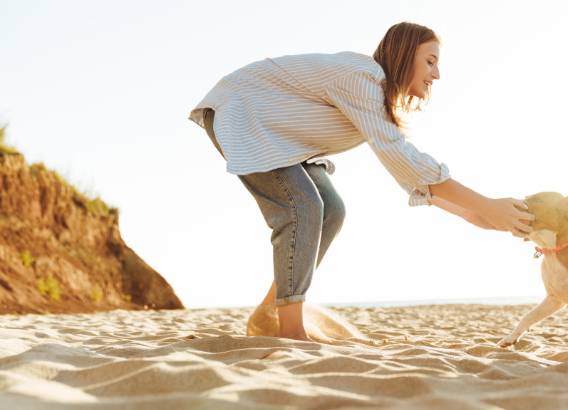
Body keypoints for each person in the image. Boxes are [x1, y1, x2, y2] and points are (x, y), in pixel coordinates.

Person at [189, 21, 533, 341]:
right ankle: (290, 331)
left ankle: (268, 313)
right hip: (242, 112)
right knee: (304, 206)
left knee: (331, 209)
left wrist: (485, 218)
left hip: (277, 133)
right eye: (430, 61)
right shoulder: (363, 78)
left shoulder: (375, 99)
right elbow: (404, 159)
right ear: (404, 54)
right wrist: (486, 205)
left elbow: (412, 176)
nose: (437, 74)